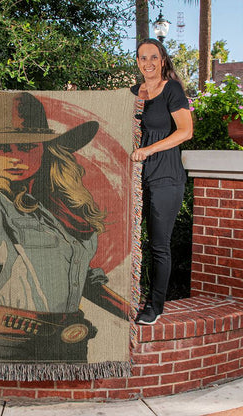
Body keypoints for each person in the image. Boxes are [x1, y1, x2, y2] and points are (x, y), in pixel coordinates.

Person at [0, 91, 130, 363]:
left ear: (45, 149)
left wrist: (132, 313)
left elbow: (77, 279)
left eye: (28, 147)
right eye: (3, 148)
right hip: (7, 347)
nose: (15, 157)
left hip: (70, 344)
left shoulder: (59, 205)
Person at [130, 38, 193, 325]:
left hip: (165, 177)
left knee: (158, 245)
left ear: (163, 60)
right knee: (129, 241)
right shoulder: (133, 93)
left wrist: (148, 150)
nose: (148, 63)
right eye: (143, 58)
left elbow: (185, 131)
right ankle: (130, 297)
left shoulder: (172, 90)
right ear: (138, 62)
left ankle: (154, 306)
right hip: (135, 178)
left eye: (153, 57)